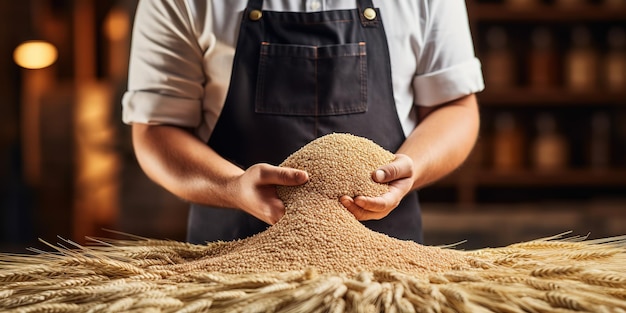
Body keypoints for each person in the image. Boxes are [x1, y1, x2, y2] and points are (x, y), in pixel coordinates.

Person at [122, 0, 484, 244]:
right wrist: (231, 186)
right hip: (234, 257)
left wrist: (412, 169)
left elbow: (455, 106)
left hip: (385, 258)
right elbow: (156, 127)